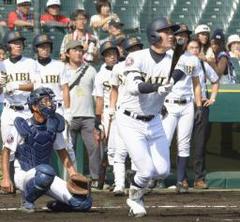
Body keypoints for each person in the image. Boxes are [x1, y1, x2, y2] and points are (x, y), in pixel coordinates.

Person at [115, 17, 180, 217]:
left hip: (154, 120)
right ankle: (134, 198)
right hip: (130, 120)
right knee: (146, 171)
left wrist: (172, 80)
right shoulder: (137, 57)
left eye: (172, 32)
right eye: (166, 31)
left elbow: (180, 72)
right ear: (154, 35)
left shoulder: (173, 58)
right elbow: (134, 87)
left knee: (162, 170)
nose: (171, 35)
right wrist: (157, 87)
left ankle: (137, 191)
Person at [0, 87, 92, 212]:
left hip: (46, 176)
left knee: (83, 203)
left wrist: (73, 173)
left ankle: (57, 205)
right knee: (46, 172)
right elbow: (6, 152)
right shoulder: (22, 125)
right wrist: (6, 178)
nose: (50, 104)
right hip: (24, 175)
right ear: (35, 107)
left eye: (50, 101)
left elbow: (62, 152)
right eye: (45, 101)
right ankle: (27, 200)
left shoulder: (53, 125)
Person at [162, 24, 202, 193]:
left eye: (185, 35)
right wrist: (160, 102)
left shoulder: (193, 58)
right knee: (164, 141)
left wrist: (198, 106)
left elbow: (196, 84)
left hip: (187, 104)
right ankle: (158, 179)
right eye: (180, 34)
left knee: (184, 144)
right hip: (169, 103)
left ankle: (180, 181)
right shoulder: (166, 55)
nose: (182, 37)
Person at [32, 33, 76, 174]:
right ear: (36, 49)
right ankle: (38, 177)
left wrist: (68, 110)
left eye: (47, 47)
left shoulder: (59, 65)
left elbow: (65, 89)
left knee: (66, 145)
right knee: (38, 145)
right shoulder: (31, 66)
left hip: (57, 109)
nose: (44, 49)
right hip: (38, 112)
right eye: (41, 47)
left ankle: (72, 179)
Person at [109, 36, 143, 195]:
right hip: (123, 112)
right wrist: (112, 108)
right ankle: (119, 185)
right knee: (120, 152)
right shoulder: (118, 67)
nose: (135, 52)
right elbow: (114, 89)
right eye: (132, 49)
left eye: (137, 48)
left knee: (138, 153)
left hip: (141, 114)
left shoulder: (147, 65)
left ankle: (136, 186)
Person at [64, 40, 101, 185]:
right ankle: (71, 177)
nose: (79, 53)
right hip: (69, 116)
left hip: (88, 116)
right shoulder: (62, 70)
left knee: (94, 148)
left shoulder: (91, 70)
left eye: (80, 50)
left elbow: (98, 94)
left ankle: (96, 179)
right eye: (75, 50)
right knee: (67, 149)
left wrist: (98, 116)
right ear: (67, 53)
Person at [187, 38, 219, 189]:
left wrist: (212, 98)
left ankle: (199, 178)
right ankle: (182, 177)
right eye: (191, 47)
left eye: (196, 48)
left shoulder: (203, 64)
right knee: (183, 142)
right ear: (186, 50)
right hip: (185, 105)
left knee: (199, 143)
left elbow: (215, 80)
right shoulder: (180, 65)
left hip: (202, 106)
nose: (194, 50)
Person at [93, 41, 119, 190]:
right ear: (104, 57)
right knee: (110, 148)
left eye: (114, 54)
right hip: (108, 112)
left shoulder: (123, 69)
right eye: (108, 55)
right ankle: (114, 179)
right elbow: (99, 98)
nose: (112, 57)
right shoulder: (100, 75)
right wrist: (98, 120)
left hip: (123, 110)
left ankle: (120, 179)